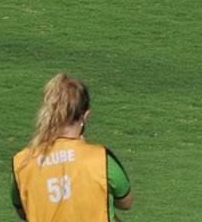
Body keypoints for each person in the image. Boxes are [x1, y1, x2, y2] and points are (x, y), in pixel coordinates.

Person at [11, 73, 134, 221]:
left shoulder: (23, 162)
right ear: (85, 116)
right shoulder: (100, 159)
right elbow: (126, 201)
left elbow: (24, 210)